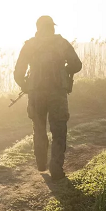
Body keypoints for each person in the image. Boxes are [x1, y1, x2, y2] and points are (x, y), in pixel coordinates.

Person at [13, 15, 83, 181]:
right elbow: (77, 64)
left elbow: (18, 73)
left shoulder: (29, 45)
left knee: (38, 128)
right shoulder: (61, 43)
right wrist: (64, 70)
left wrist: (25, 85)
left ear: (38, 28)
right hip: (57, 93)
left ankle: (41, 163)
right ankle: (56, 168)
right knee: (59, 130)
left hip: (36, 94)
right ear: (52, 27)